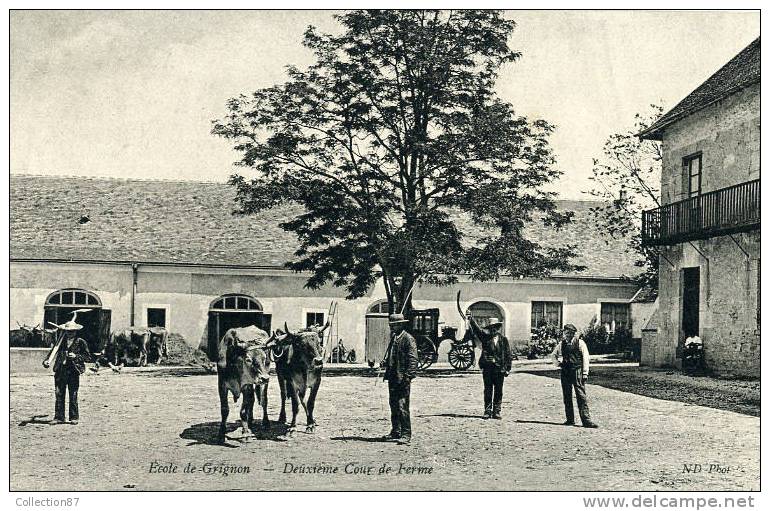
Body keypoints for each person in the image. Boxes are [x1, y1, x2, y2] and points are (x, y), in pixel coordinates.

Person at [42, 320, 91, 425]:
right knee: (59, 393)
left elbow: (88, 357)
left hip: (73, 371)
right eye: (68, 331)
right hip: (60, 371)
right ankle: (59, 417)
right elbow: (52, 353)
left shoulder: (80, 342)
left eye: (72, 331)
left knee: (73, 394)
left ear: (76, 331)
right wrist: (46, 361)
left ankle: (74, 417)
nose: (70, 333)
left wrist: (76, 356)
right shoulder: (60, 341)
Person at [551, 324, 598, 428]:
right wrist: (558, 364)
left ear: (574, 333)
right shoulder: (561, 344)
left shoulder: (580, 343)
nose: (568, 335)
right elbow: (553, 355)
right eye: (567, 333)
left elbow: (586, 358)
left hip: (577, 371)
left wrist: (585, 372)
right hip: (566, 372)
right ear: (564, 334)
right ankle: (570, 419)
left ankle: (586, 420)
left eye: (571, 333)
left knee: (581, 395)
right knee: (567, 395)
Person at [382, 313, 418, 445]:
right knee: (393, 405)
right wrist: (385, 362)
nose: (392, 327)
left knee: (402, 406)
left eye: (394, 325)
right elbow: (392, 355)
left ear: (401, 325)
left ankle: (406, 434)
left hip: (402, 378)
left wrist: (408, 376)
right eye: (391, 325)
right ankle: (396, 431)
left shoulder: (408, 339)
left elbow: (413, 359)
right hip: (392, 377)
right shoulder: (395, 338)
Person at [468, 315, 512, 419]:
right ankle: (487, 411)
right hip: (488, 369)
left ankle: (497, 411)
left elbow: (508, 355)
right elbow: (477, 330)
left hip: (500, 369)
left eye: (495, 327)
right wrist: (471, 320)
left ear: (498, 328)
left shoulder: (503, 340)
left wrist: (507, 369)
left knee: (498, 391)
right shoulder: (485, 338)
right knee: (488, 390)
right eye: (491, 328)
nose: (493, 330)